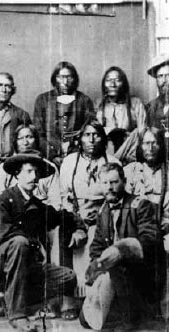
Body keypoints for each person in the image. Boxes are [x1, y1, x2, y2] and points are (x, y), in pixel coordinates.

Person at [0, 153, 87, 332]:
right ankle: (17, 315)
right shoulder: (2, 201)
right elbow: (6, 235)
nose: (33, 177)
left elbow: (63, 217)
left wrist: (79, 228)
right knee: (19, 242)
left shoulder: (36, 205)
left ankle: (13, 299)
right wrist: (35, 246)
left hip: (23, 267)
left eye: (36, 173)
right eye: (28, 172)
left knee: (68, 278)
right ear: (17, 175)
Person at [80, 163, 165, 331]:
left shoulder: (140, 205)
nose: (110, 187)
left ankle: (131, 318)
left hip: (143, 273)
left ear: (124, 182)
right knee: (85, 320)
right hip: (115, 276)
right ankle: (124, 309)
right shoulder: (103, 211)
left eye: (114, 182)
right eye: (105, 183)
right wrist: (98, 266)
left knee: (119, 264)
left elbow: (150, 241)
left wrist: (122, 250)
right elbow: (96, 246)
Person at [123, 127, 169, 319]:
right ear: (140, 146)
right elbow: (125, 202)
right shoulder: (130, 171)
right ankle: (140, 308)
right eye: (146, 143)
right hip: (141, 225)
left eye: (155, 142)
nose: (151, 147)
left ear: (162, 145)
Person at [59, 120, 121, 292]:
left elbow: (117, 198)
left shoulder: (113, 162)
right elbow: (63, 196)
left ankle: (96, 296)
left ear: (103, 139)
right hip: (74, 216)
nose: (92, 140)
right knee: (61, 235)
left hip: (102, 217)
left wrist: (99, 216)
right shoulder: (70, 162)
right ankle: (68, 296)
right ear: (80, 139)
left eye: (97, 135)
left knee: (98, 242)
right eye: (87, 135)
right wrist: (77, 223)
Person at [0, 124, 60, 208]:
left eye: (29, 137)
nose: (25, 142)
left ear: (36, 140)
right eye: (20, 138)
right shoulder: (4, 167)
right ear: (15, 142)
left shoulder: (48, 167)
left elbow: (56, 201)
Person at [33, 61, 95, 165]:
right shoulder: (42, 100)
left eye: (69, 77)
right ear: (55, 78)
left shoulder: (84, 101)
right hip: (47, 157)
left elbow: (89, 132)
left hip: (78, 156)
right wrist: (52, 156)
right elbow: (38, 134)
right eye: (61, 77)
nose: (65, 82)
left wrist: (74, 153)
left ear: (75, 79)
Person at [95, 66, 147, 156]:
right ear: (104, 84)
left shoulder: (135, 104)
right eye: (108, 80)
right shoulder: (99, 105)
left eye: (117, 80)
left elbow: (142, 133)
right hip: (106, 153)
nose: (112, 84)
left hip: (130, 153)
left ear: (124, 83)